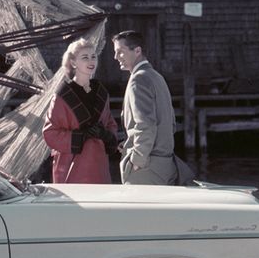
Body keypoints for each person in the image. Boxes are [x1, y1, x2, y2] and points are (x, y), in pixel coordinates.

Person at [42, 39, 119, 183]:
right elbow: (50, 133)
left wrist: (105, 134)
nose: (91, 61)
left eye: (93, 56)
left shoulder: (101, 92)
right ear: (73, 62)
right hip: (71, 167)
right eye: (85, 57)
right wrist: (80, 136)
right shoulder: (62, 95)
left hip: (99, 165)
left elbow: (111, 124)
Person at [112, 30, 177, 185]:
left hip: (146, 168)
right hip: (164, 163)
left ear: (138, 51)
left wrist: (137, 160)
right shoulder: (156, 76)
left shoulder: (138, 80)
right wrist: (129, 142)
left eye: (120, 52)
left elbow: (145, 125)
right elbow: (171, 123)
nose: (116, 57)